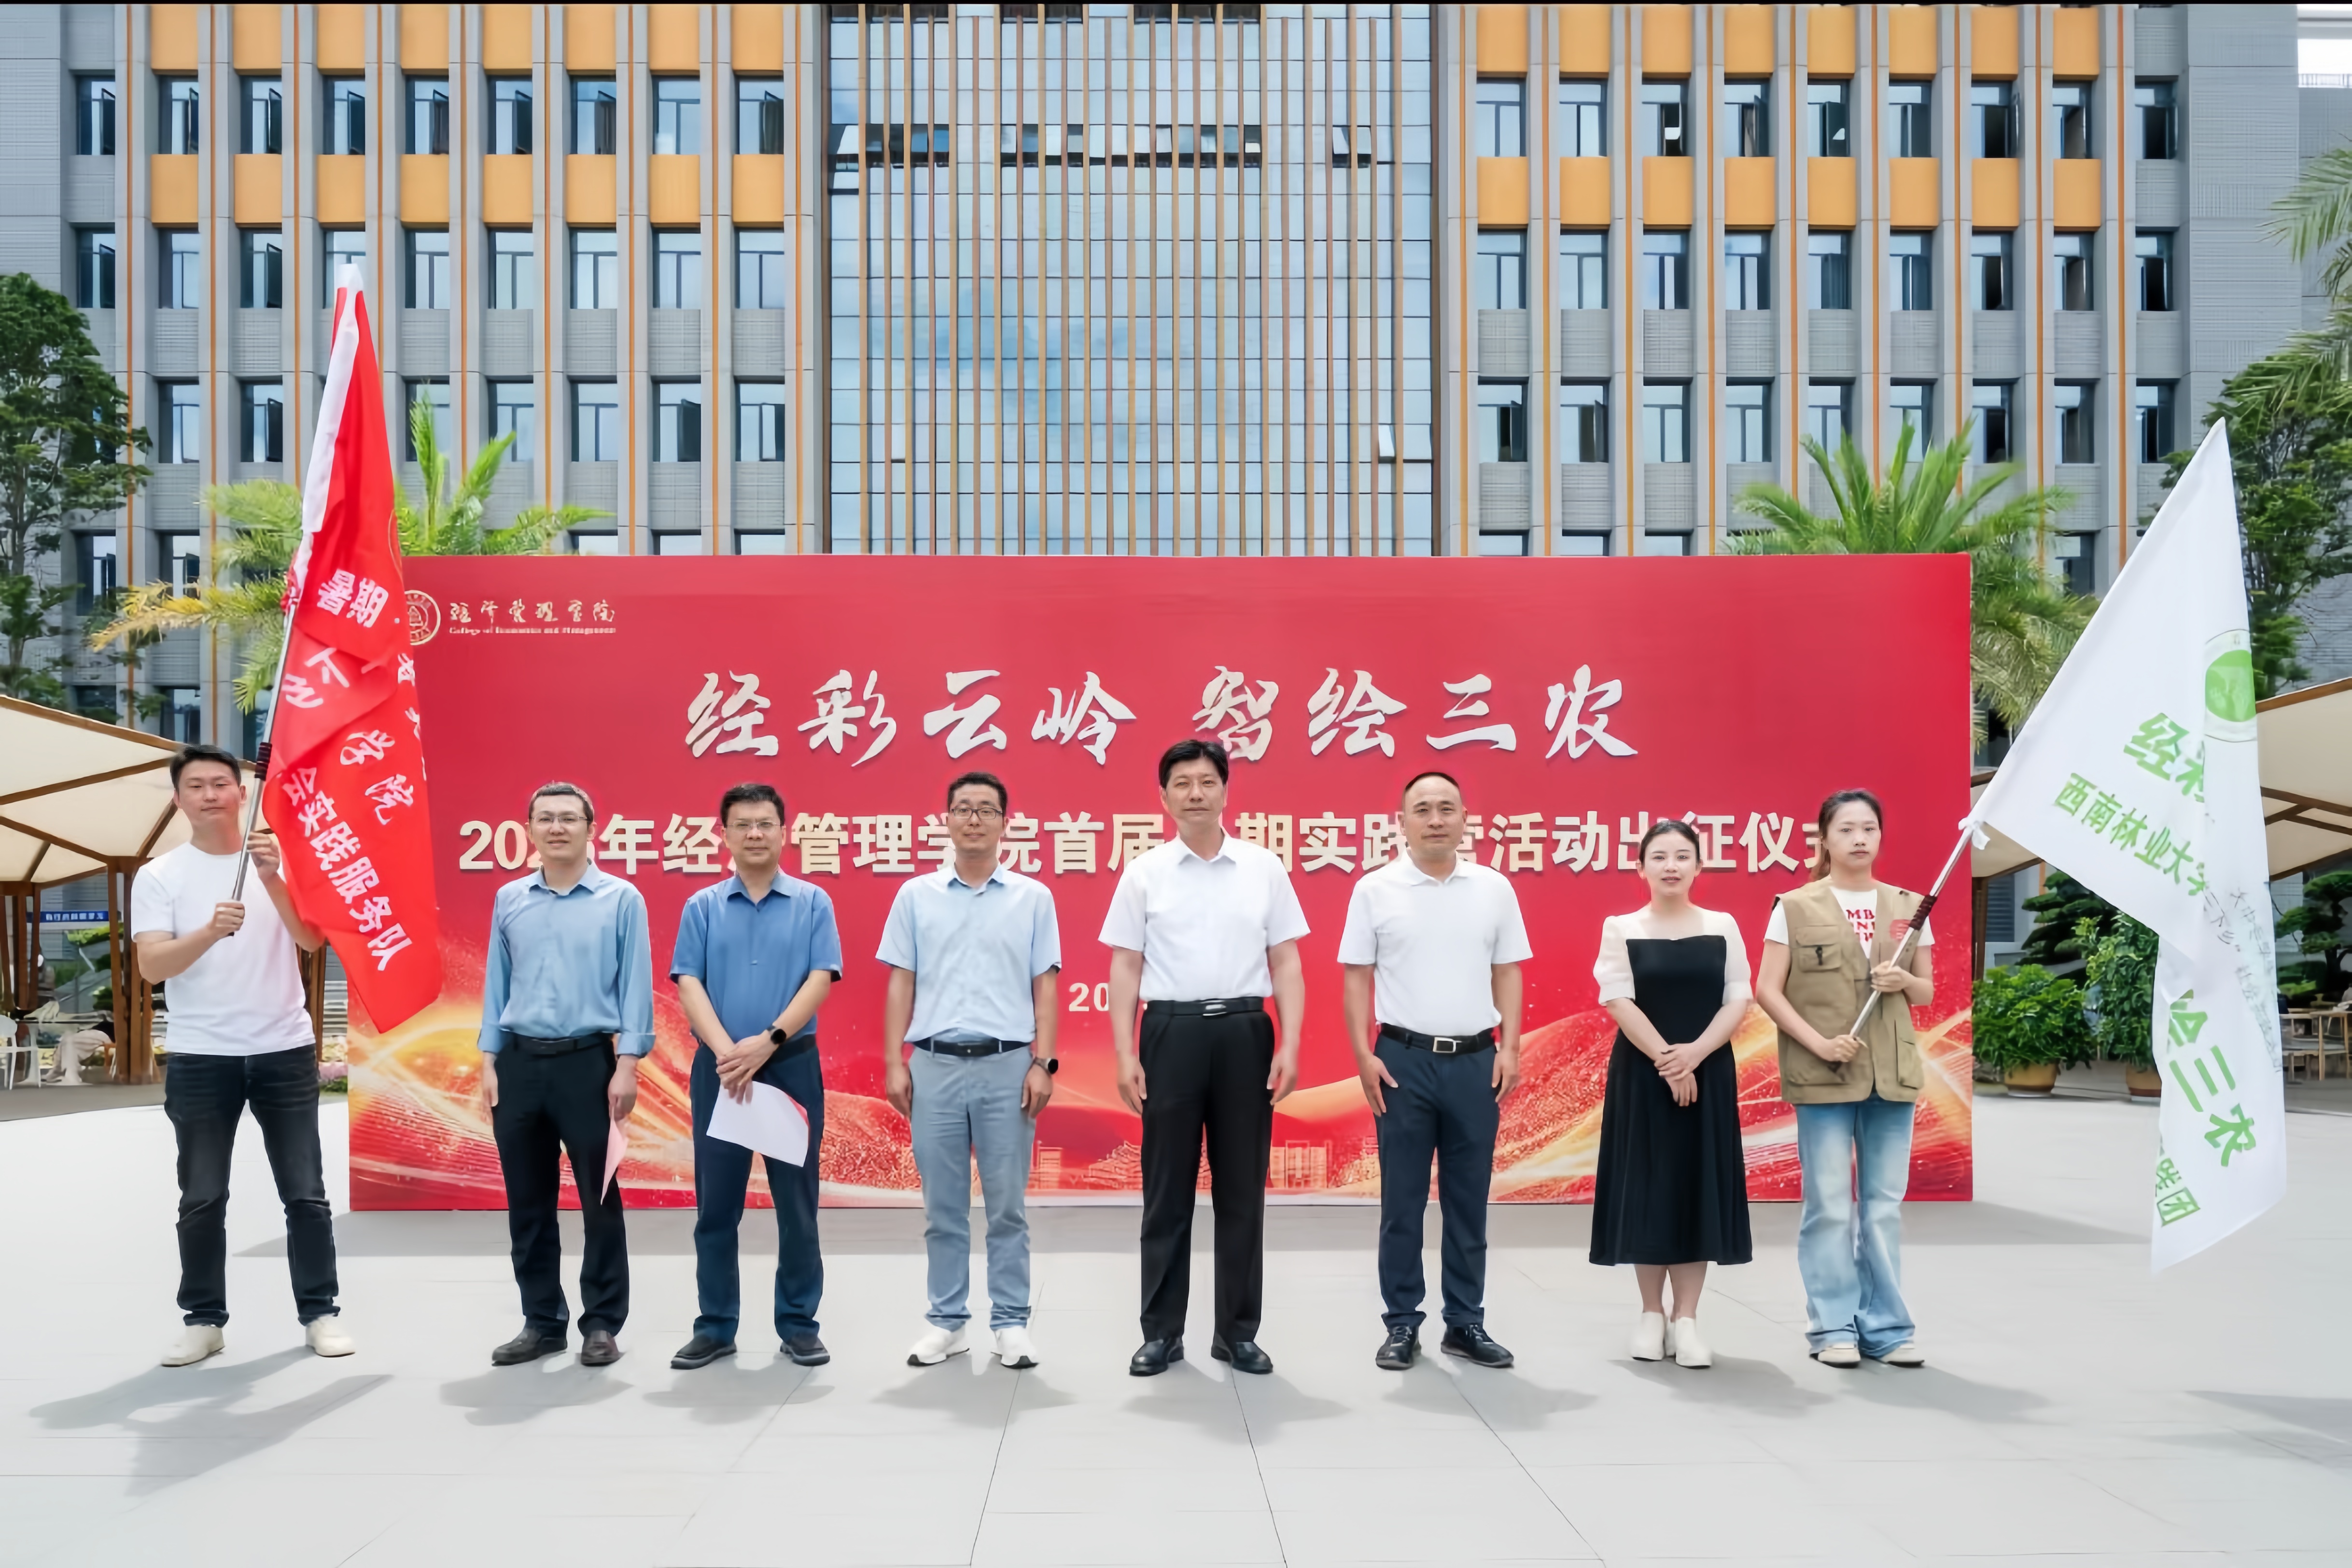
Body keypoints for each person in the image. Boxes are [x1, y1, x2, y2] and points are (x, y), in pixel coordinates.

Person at [133, 744, 353, 1366]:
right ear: (178, 799)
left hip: (283, 1047)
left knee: (305, 1191)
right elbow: (152, 966)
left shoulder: (278, 860)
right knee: (202, 1194)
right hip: (202, 1055)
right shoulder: (160, 875)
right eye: (196, 785)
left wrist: (273, 877)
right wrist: (209, 930)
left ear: (241, 792)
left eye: (220, 783)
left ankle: (320, 1312)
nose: (210, 794)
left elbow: (311, 938)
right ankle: (204, 1318)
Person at [1103, 738, 1308, 1377]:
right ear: (1164, 797)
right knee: (1167, 1190)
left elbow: (1287, 961)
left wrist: (1291, 1042)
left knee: (1242, 1189)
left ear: (1225, 790)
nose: (1196, 793)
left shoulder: (1263, 867)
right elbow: (1126, 966)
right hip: (1172, 1033)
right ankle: (1162, 1333)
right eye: (1183, 783)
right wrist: (1125, 1052)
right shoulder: (1144, 873)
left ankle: (1237, 1333)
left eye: (1207, 781)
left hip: (1246, 1031)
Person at [1339, 770, 1527, 1372]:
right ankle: (1401, 1322)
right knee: (1402, 1201)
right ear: (1402, 822)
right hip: (1403, 1061)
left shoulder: (1493, 888)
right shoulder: (1375, 889)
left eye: (1447, 807)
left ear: (1466, 817)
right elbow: (1356, 976)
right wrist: (1363, 1054)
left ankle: (1465, 1321)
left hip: (1476, 1060)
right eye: (1423, 809)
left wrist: (1510, 1046)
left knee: (1468, 1200)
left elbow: (1508, 969)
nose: (1436, 819)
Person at [881, 771, 1062, 1371]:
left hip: (1008, 1066)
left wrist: (1043, 1062)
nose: (975, 818)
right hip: (933, 1064)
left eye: (987, 809)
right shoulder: (916, 896)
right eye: (963, 808)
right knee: (943, 1206)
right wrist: (894, 1060)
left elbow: (1045, 985)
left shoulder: (1032, 897)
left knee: (1007, 1205)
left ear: (1006, 822)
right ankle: (948, 1320)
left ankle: (1010, 1323)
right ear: (947, 820)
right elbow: (901, 981)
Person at [1754, 789, 1933, 1370]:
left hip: (1892, 1074)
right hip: (1824, 1073)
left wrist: (1903, 981)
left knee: (1882, 1206)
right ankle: (1833, 1325)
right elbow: (1767, 989)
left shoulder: (1910, 906)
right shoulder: (1794, 905)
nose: (1860, 838)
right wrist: (1818, 1043)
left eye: (1869, 828)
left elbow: (1926, 991)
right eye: (1847, 829)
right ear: (1825, 839)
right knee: (1830, 1203)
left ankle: (1886, 1327)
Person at [477, 782, 653, 1369]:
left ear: (591, 827)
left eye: (569, 818)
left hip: (589, 1065)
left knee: (599, 1200)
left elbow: (635, 985)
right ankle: (542, 1322)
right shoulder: (510, 898)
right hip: (519, 1064)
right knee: (528, 1202)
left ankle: (601, 1322)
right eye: (546, 818)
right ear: (528, 828)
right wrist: (489, 1059)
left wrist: (628, 1064)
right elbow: (497, 981)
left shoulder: (621, 898)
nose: (557, 827)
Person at [668, 782, 842, 1371]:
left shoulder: (813, 901)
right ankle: (716, 1325)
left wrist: (767, 1042)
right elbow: (688, 981)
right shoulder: (702, 906)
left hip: (790, 1064)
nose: (755, 833)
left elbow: (820, 977)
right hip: (721, 1071)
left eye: (765, 823)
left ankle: (799, 1324)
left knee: (797, 1203)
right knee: (717, 1206)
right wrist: (728, 1054)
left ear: (784, 831)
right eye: (742, 824)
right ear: (725, 834)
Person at [1589, 819, 1755, 1370]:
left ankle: (1687, 1319)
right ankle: (1650, 1313)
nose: (1671, 866)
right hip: (1643, 1074)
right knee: (1650, 1186)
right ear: (1640, 868)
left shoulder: (1722, 925)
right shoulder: (1621, 927)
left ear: (1699, 866)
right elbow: (1618, 999)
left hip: (1708, 1072)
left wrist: (1695, 1055)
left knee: (1695, 1186)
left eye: (1683, 856)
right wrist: (1668, 1059)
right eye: (1658, 856)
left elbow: (1738, 997)